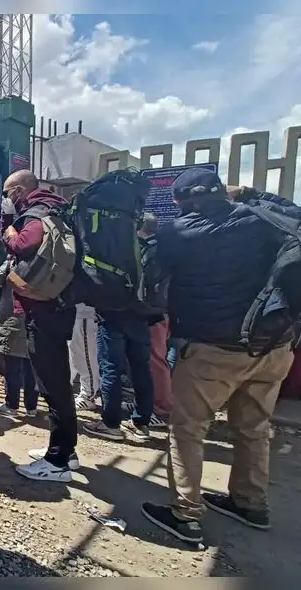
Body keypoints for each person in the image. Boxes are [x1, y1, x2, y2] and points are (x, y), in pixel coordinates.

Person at [142, 170, 296, 544]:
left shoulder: (177, 234)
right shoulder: (262, 220)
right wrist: (252, 194)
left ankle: (186, 515)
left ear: (179, 202)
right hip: (272, 345)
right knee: (254, 427)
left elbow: (151, 277)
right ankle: (250, 503)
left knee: (188, 429)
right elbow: (295, 213)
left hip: (211, 350)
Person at [1, 170, 79, 482]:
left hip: (44, 311)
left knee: (53, 385)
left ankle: (57, 461)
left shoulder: (36, 214)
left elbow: (24, 244)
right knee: (58, 382)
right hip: (59, 305)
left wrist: (8, 228)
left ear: (20, 190)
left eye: (7, 193)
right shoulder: (56, 209)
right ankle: (67, 452)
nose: (6, 198)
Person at [82, 304, 156, 443]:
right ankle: (141, 423)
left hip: (112, 313)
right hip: (140, 313)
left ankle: (110, 424)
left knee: (110, 368)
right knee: (141, 369)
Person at [138, 213, 172, 428]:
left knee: (156, 361)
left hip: (155, 312)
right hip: (161, 310)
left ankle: (162, 409)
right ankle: (153, 404)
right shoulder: (161, 246)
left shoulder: (151, 250)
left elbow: (147, 282)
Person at [71, 302, 101, 410]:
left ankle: (88, 396)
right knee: (76, 357)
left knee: (86, 359)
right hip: (76, 314)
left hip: (87, 315)